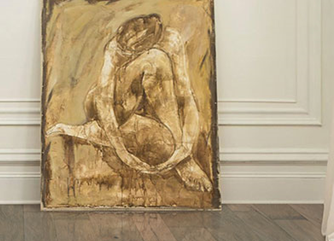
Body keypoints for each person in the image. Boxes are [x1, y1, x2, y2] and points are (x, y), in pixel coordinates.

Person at [47, 13, 211, 192]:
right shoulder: (114, 48)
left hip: (142, 106)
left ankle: (182, 158)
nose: (125, 53)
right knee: (156, 60)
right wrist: (123, 153)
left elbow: (186, 96)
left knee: (159, 62)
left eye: (131, 51)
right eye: (124, 49)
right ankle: (86, 130)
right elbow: (103, 100)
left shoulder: (172, 41)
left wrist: (186, 146)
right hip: (107, 104)